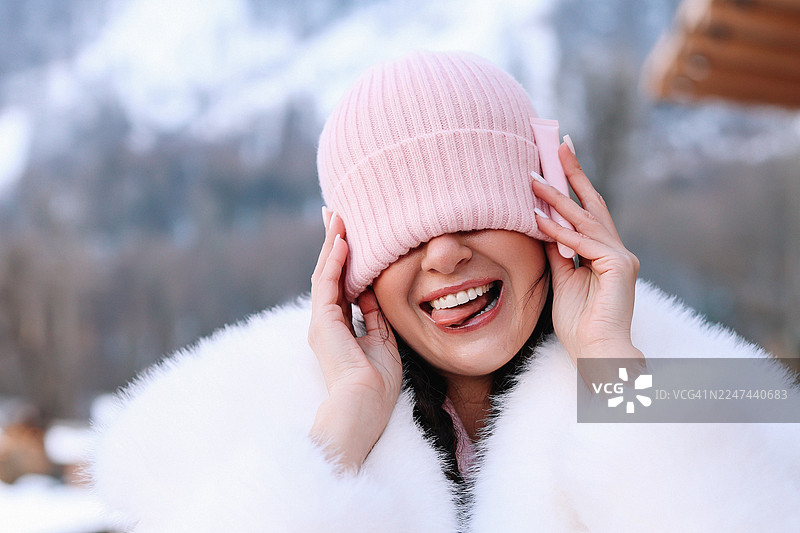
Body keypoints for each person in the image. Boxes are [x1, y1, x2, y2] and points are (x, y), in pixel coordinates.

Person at [91, 51, 800, 532]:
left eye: (476, 210)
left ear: (551, 216)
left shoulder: (708, 389)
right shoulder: (241, 421)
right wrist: (342, 431)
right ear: (353, 264)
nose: (444, 253)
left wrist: (611, 365)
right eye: (400, 234)